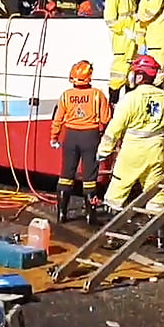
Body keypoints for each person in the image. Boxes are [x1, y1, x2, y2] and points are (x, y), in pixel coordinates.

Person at [97, 55, 164, 249]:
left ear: (138, 76)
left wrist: (104, 151)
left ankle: (112, 236)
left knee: (117, 193)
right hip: (156, 149)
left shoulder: (130, 99)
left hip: (133, 151)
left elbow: (114, 129)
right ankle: (160, 240)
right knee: (157, 193)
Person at [50, 60, 112, 225]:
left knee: (65, 175)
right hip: (90, 137)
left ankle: (61, 215)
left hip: (70, 137)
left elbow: (58, 119)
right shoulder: (98, 95)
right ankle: (90, 216)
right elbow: (106, 119)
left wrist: (54, 137)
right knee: (90, 177)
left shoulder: (66, 95)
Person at [104, 0, 139, 104]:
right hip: (122, 42)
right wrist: (124, 31)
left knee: (131, 77)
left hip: (132, 41)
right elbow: (110, 19)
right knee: (118, 77)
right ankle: (113, 104)